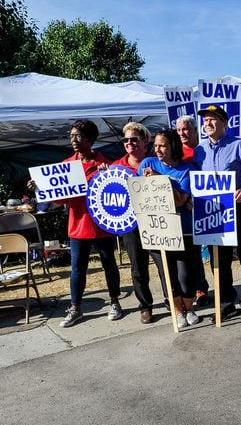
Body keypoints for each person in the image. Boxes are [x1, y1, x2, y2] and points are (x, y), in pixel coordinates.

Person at [39, 120, 124, 327]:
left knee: (109, 264)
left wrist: (108, 175)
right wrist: (42, 188)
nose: (73, 140)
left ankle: (115, 303)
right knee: (77, 269)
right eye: (71, 136)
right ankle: (75, 308)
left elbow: (115, 193)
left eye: (78, 136)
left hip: (102, 225)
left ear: (90, 139)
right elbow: (61, 199)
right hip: (77, 226)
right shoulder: (67, 165)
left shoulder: (104, 164)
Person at [193, 104, 241, 322]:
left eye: (212, 119)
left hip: (239, 209)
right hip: (212, 213)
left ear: (224, 123)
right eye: (205, 120)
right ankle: (226, 302)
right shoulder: (199, 150)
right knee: (219, 260)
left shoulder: (239, 145)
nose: (207, 123)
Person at [139, 128, 201, 328]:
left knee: (186, 277)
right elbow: (143, 194)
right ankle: (178, 311)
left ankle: (189, 307)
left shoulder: (187, 169)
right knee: (168, 275)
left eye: (162, 145)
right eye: (155, 145)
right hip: (157, 231)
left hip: (184, 230)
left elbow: (182, 200)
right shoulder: (147, 164)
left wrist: (161, 180)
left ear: (173, 146)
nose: (158, 150)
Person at [112, 122, 167, 324]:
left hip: (156, 222)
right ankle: (145, 307)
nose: (129, 143)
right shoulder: (115, 167)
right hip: (131, 225)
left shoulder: (156, 162)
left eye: (134, 139)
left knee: (164, 264)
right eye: (126, 140)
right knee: (137, 268)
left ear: (145, 141)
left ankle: (171, 299)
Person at [175, 114, 210, 307]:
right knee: (192, 253)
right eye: (179, 130)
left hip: (206, 204)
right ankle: (196, 288)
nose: (182, 133)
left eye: (186, 129)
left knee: (207, 249)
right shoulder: (177, 152)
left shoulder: (203, 149)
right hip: (186, 208)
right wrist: (187, 199)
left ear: (195, 131)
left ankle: (207, 288)